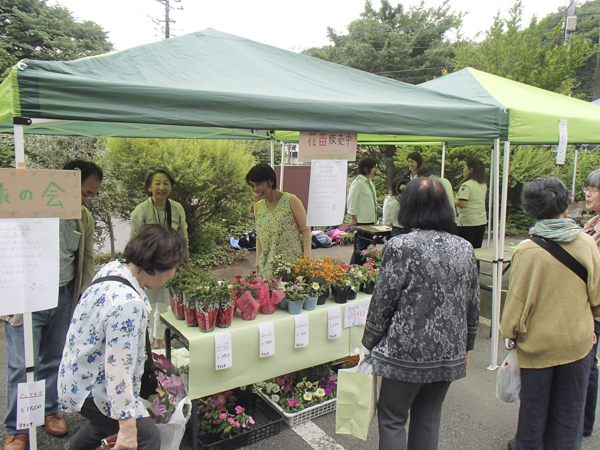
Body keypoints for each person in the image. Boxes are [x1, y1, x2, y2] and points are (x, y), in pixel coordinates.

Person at [362, 177, 480, 450]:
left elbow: (383, 301)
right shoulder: (464, 247)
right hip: (448, 352)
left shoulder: (401, 246)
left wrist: (369, 341)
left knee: (392, 417)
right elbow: (472, 303)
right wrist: (467, 347)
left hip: (406, 352)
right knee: (427, 418)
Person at [2, 160, 102, 450]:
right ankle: (18, 429)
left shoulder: (82, 217)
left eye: (92, 195)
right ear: (66, 184)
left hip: (63, 297)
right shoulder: (32, 207)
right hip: (27, 301)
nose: (86, 199)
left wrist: (83, 299)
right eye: (84, 192)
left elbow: (86, 260)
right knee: (21, 366)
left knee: (54, 360)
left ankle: (49, 410)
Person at [59, 224, 186, 450]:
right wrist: (128, 428)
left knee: (104, 423)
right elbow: (118, 370)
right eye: (175, 267)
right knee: (146, 437)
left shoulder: (113, 270)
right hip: (95, 386)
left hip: (77, 374)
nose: (174, 274)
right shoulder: (129, 304)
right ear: (158, 266)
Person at [501, 176, 600, 450]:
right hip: (577, 343)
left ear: (529, 208)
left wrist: (509, 333)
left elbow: (517, 304)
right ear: (565, 204)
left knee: (534, 409)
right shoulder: (586, 244)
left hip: (538, 345)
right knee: (569, 410)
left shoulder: (527, 250)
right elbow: (598, 297)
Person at [130, 168, 188, 349]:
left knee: (165, 302)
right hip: (148, 266)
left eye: (166, 183)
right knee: (146, 302)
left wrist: (186, 262)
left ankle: (159, 337)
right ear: (149, 187)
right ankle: (144, 339)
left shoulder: (177, 208)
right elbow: (135, 241)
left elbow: (183, 235)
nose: (162, 187)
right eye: (157, 183)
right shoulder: (140, 211)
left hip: (170, 265)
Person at [246, 163, 311, 279]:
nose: (255, 189)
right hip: (267, 268)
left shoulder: (291, 200)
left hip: (292, 267)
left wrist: (306, 261)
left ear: (270, 182)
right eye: (252, 185)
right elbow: (260, 237)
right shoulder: (258, 207)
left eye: (258, 184)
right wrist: (257, 264)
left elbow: (306, 231)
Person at [582, 168, 600, 437]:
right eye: (587, 187)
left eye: (594, 189)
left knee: (588, 363)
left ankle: (583, 422)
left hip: (595, 305)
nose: (587, 192)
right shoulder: (593, 222)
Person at [347, 157, 378, 265]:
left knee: (366, 248)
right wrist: (353, 217)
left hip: (370, 220)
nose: (375, 170)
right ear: (366, 168)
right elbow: (351, 201)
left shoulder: (368, 182)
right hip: (362, 221)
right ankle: (355, 268)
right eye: (373, 167)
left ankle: (358, 268)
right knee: (361, 248)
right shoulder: (358, 183)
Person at [454, 158, 487, 248]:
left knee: (465, 249)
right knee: (476, 249)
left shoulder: (467, 185)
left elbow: (462, 203)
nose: (464, 170)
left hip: (467, 222)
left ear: (471, 170)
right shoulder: (483, 184)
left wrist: (451, 199)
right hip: (481, 220)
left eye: (465, 168)